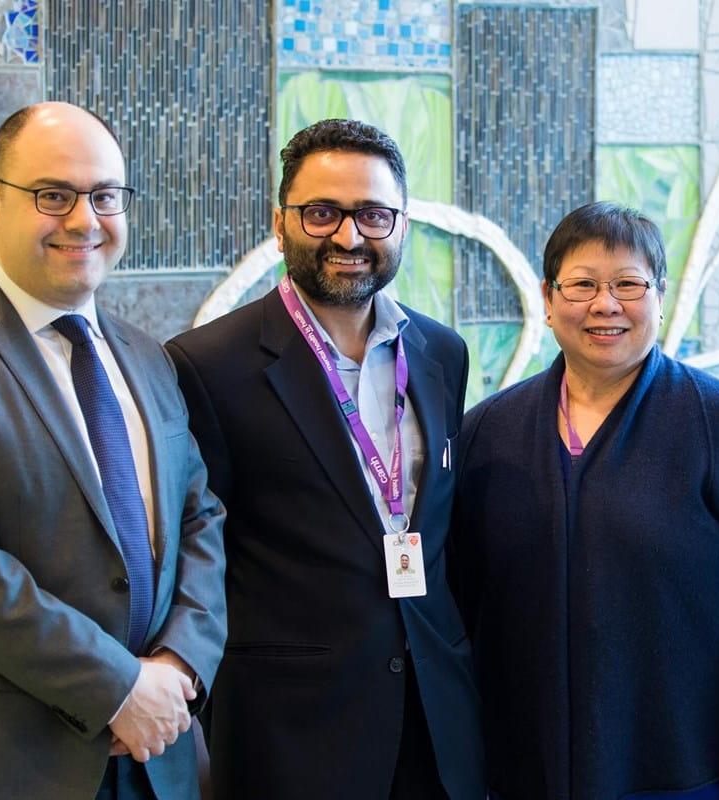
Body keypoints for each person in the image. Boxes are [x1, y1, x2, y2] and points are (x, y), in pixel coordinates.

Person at [451, 201, 719, 800]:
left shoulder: (717, 419)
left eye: (629, 283)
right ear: (547, 299)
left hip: (680, 757)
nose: (606, 304)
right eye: (582, 285)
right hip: (522, 760)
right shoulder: (487, 432)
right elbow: (459, 592)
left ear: (659, 296)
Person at [167, 118, 483, 799]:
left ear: (401, 224)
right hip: (292, 735)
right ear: (281, 225)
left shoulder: (442, 354)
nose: (349, 236)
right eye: (322, 213)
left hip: (437, 722)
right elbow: (196, 556)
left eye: (372, 214)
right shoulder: (206, 366)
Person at [0, 101, 227, 799]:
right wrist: (118, 689)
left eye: (105, 196)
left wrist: (179, 666)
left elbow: (201, 516)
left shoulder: (147, 356)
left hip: (162, 754)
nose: (84, 220)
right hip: (20, 759)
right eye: (53, 195)